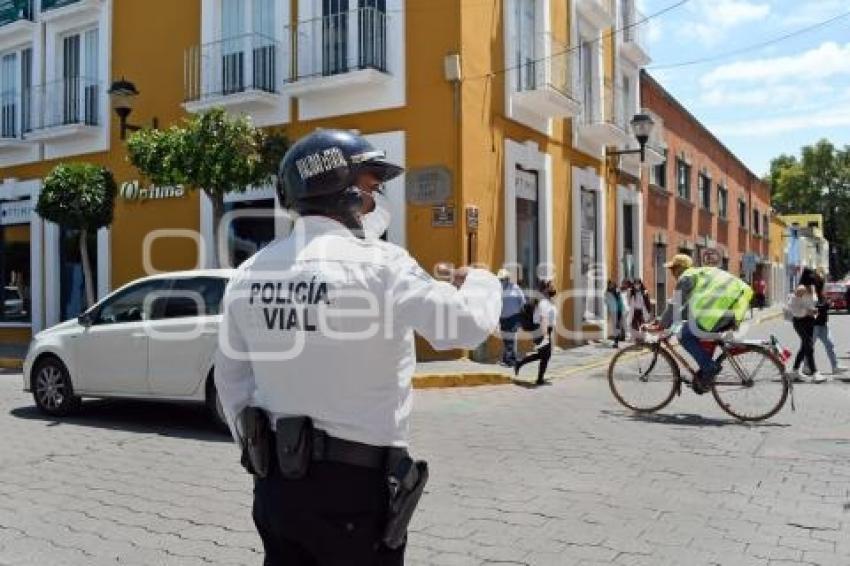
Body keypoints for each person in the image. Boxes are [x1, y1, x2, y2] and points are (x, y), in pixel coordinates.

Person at [214, 129, 502, 565]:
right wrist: (483, 281)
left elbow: (231, 382)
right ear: (342, 191)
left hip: (276, 484)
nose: (376, 200)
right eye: (371, 187)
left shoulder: (249, 273)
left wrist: (260, 452)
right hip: (354, 491)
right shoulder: (382, 265)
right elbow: (463, 327)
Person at [653, 254, 753, 394]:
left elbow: (676, 304)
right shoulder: (700, 275)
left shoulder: (686, 278)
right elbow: (687, 308)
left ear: (679, 268)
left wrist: (663, 324)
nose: (672, 273)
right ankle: (704, 376)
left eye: (673, 269)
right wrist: (667, 321)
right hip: (731, 312)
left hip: (717, 314)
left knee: (684, 335)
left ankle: (709, 368)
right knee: (694, 330)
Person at [514, 279, 557, 385]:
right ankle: (539, 378)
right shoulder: (543, 303)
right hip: (541, 330)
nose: (553, 288)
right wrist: (545, 335)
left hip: (545, 330)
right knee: (545, 355)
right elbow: (543, 319)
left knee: (544, 355)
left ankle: (520, 363)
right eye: (551, 286)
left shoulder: (547, 301)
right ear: (545, 289)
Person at [787, 269, 822, 383]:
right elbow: (793, 307)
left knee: (804, 347)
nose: (814, 279)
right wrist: (808, 311)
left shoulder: (811, 287)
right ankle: (815, 372)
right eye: (812, 277)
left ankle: (795, 371)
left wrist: (814, 310)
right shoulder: (801, 288)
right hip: (800, 321)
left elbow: (811, 303)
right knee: (809, 346)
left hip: (810, 321)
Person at [812, 273, 846, 376]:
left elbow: (823, 306)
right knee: (808, 347)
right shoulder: (814, 295)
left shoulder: (822, 294)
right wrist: (827, 304)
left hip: (822, 325)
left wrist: (829, 302)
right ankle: (805, 367)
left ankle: (835, 366)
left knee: (830, 345)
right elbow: (817, 307)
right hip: (814, 326)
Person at [497, 269, 525, 367]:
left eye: (503, 279)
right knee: (506, 339)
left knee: (510, 339)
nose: (502, 281)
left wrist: (522, 316)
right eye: (500, 280)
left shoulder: (515, 288)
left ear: (508, 279)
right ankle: (510, 359)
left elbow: (523, 301)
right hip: (503, 318)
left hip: (514, 317)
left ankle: (509, 361)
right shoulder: (498, 290)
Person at [605, 280, 626, 348]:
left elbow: (621, 299)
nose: (611, 285)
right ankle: (616, 341)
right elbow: (606, 302)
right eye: (610, 284)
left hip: (619, 310)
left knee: (618, 325)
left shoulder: (617, 291)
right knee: (616, 326)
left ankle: (618, 339)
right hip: (613, 311)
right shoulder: (607, 293)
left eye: (612, 284)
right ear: (608, 285)